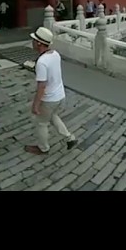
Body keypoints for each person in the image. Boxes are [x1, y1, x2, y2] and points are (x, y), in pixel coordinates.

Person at [26, 27, 79, 155]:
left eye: (34, 40)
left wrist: (36, 104)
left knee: (41, 123)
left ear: (39, 43)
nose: (32, 42)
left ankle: (43, 148)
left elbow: (42, 86)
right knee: (52, 117)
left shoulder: (42, 62)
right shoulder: (55, 54)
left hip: (49, 99)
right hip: (60, 95)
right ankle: (69, 138)